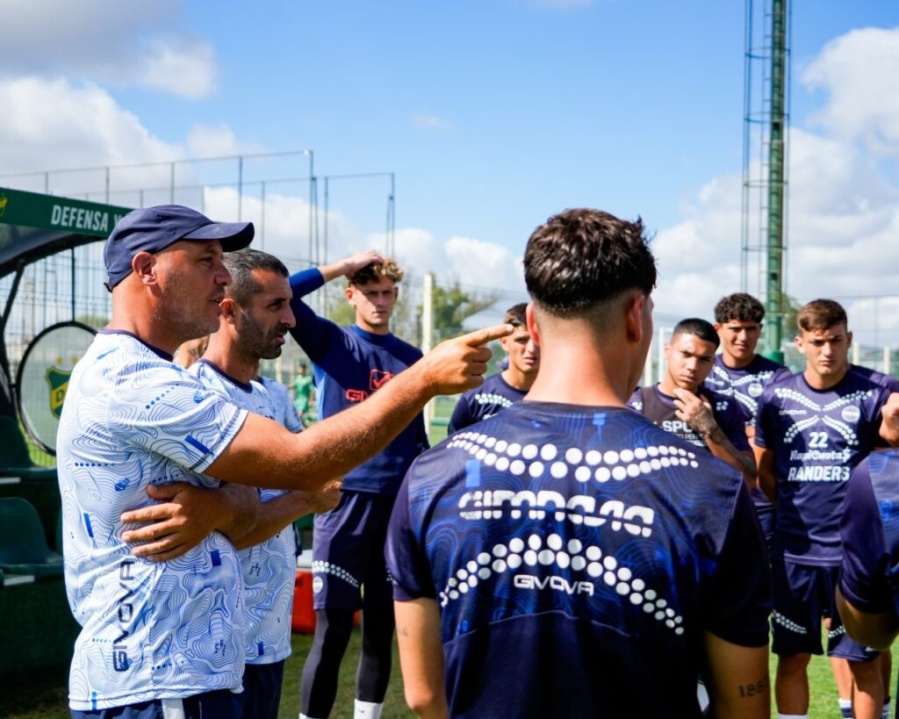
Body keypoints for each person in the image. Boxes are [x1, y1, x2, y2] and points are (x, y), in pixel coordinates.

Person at [56, 205, 509, 719]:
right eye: (207, 259)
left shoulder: (163, 379)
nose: (224, 275)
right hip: (158, 681)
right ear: (146, 271)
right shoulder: (133, 382)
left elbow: (260, 500)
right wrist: (424, 378)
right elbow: (301, 463)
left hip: (194, 674)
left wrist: (224, 506)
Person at [386, 208, 772, 718]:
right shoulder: (710, 490)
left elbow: (423, 695)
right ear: (637, 316)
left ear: (530, 323)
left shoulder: (432, 475)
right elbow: (742, 709)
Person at [188, 248, 337, 719]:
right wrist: (307, 499)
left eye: (289, 304)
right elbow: (233, 527)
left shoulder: (270, 395)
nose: (291, 319)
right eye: (275, 306)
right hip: (217, 647)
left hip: (267, 638)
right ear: (229, 310)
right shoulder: (200, 397)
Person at [289, 250, 429, 719]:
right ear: (350, 295)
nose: (381, 302)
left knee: (381, 630)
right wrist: (342, 265)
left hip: (394, 510)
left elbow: (418, 439)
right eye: (370, 293)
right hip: (342, 504)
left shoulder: (413, 360)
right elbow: (282, 291)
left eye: (388, 293)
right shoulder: (332, 342)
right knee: (332, 632)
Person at [754, 299, 899, 719]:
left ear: (849, 339)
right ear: (799, 343)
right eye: (817, 342)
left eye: (836, 340)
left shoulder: (879, 390)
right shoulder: (776, 397)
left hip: (854, 555)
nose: (827, 351)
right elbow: (765, 473)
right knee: (793, 657)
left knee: (863, 661)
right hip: (794, 553)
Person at [703, 292, 791, 546]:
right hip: (711, 497)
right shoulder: (702, 369)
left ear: (760, 330)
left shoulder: (778, 376)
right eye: (736, 328)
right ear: (717, 328)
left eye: (751, 329)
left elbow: (779, 435)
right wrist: (748, 432)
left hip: (762, 504)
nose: (743, 337)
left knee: (763, 581)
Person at [627, 317, 755, 485]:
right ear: (667, 351)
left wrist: (710, 430)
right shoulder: (636, 403)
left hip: (708, 510)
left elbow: (749, 480)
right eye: (686, 354)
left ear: (712, 363)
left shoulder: (725, 408)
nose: (693, 366)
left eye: (704, 359)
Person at [447, 302, 539, 432]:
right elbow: (454, 450)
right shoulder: (476, 398)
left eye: (537, 339)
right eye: (521, 340)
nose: (531, 349)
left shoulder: (562, 399)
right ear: (504, 342)